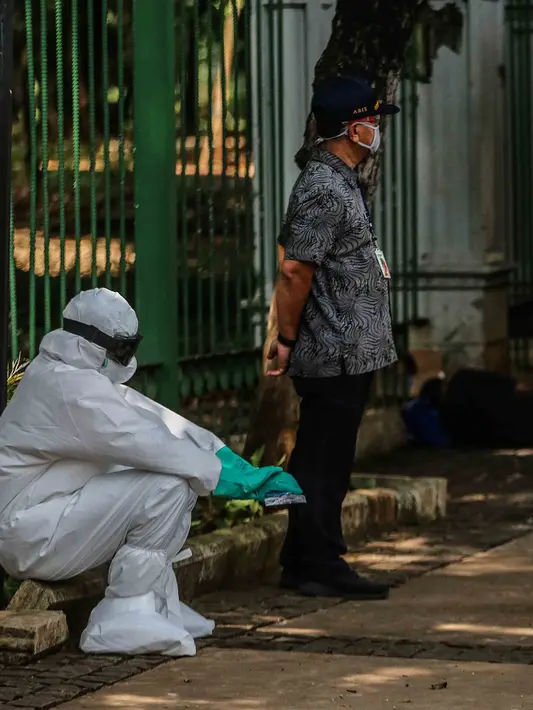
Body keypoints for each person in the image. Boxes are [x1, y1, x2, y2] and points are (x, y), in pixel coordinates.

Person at [0, 288, 296, 656]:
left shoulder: (73, 376)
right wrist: (228, 478)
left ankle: (158, 603)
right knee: (168, 485)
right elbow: (145, 440)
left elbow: (159, 422)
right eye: (121, 349)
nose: (127, 358)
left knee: (173, 474)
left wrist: (226, 459)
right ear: (92, 343)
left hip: (46, 516)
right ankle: (124, 614)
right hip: (28, 532)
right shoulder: (67, 387)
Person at [270, 75, 399, 600]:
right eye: (370, 121)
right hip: (334, 350)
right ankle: (319, 563)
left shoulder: (341, 179)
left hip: (350, 348)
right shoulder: (323, 186)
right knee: (323, 459)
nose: (375, 129)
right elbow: (295, 271)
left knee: (322, 457)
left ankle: (302, 557)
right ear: (349, 128)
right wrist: (285, 337)